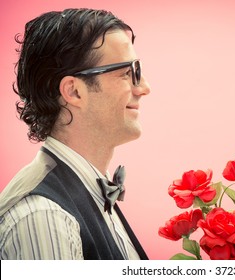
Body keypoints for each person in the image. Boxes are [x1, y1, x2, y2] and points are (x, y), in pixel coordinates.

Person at [0, 8, 151, 260]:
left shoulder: (86, 191)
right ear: (74, 91)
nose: (144, 87)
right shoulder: (44, 218)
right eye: (128, 72)